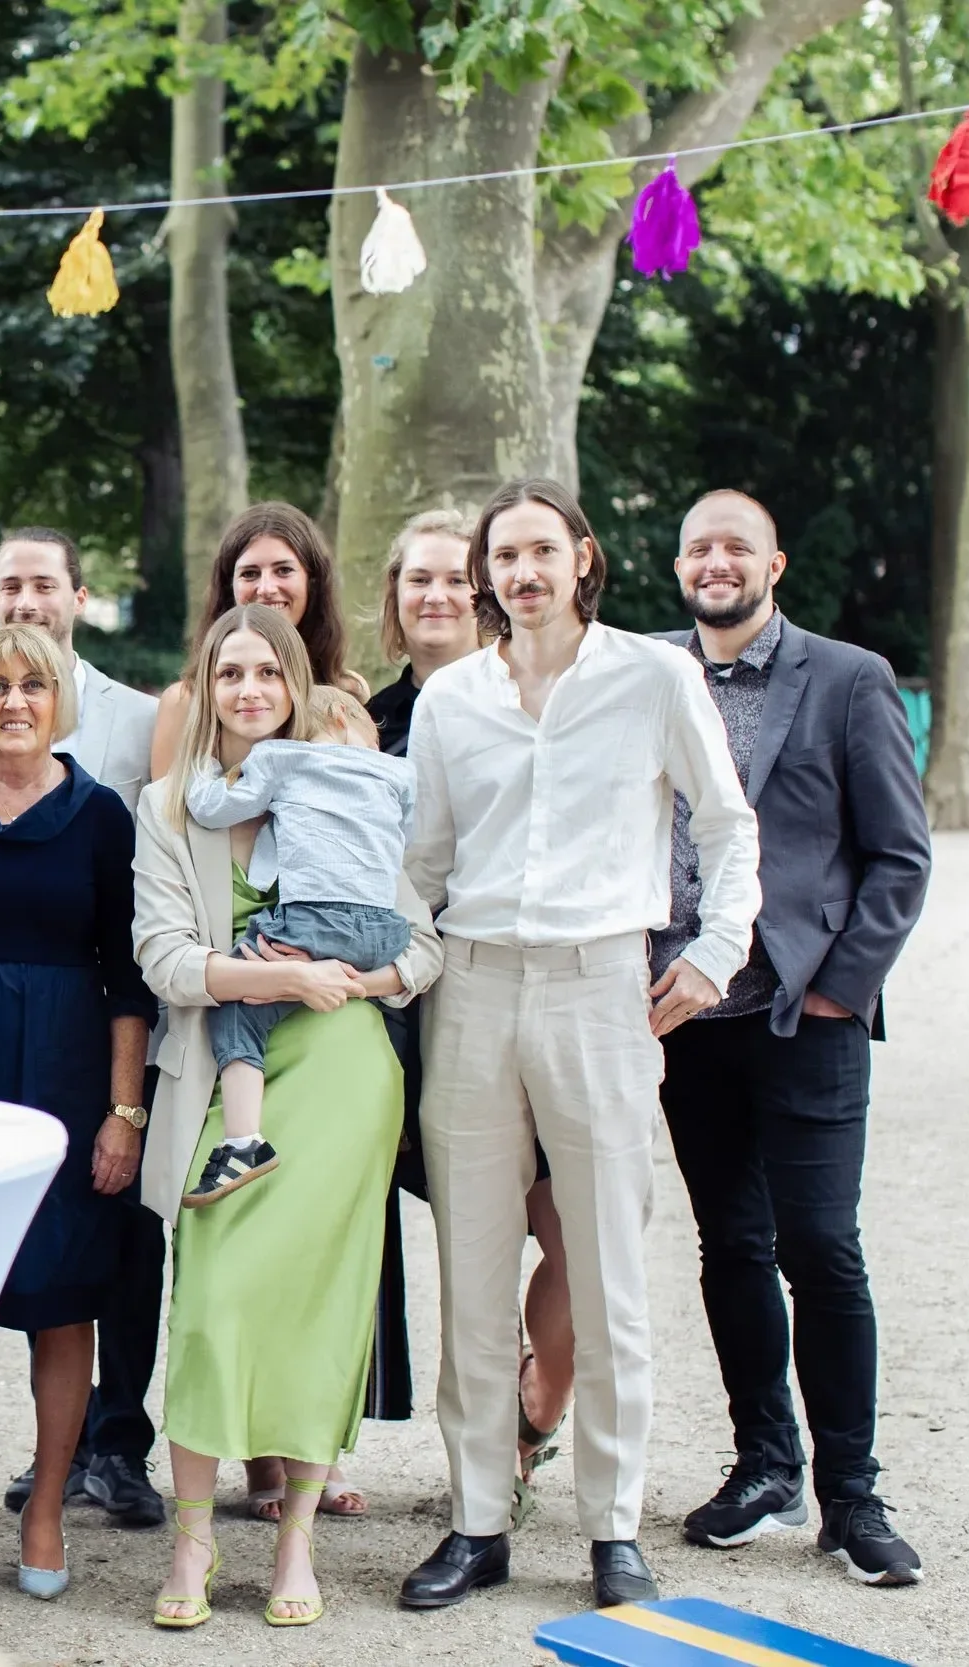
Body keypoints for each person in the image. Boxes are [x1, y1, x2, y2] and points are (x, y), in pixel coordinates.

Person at [400, 477, 759, 1613]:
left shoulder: (652, 676)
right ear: (484, 577)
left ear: (581, 558)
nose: (522, 573)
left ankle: (611, 1525)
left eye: (540, 551)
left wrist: (713, 951)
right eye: (503, 557)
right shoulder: (451, 699)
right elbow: (421, 861)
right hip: (471, 983)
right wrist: (409, 967)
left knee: (607, 1267)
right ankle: (475, 1518)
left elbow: (725, 820)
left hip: (602, 984)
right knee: (470, 1269)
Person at [133, 604, 442, 1631]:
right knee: (214, 1300)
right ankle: (192, 1532)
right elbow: (164, 957)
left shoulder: (345, 783)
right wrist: (266, 974)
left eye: (269, 670)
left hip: (345, 1067)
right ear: (206, 685)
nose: (250, 689)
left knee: (320, 1303)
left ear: (298, 682)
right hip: (229, 1082)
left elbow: (424, 948)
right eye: (231, 673)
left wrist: (351, 983)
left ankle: (297, 1532)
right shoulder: (170, 807)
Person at [657, 491, 931, 1585]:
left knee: (822, 1246)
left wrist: (835, 991)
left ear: (774, 561)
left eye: (734, 546)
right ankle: (763, 1462)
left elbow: (900, 856)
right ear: (676, 566)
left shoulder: (850, 677)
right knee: (729, 1244)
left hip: (801, 1010)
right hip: (686, 1015)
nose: (715, 561)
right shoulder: (648, 676)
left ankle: (851, 1495)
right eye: (696, 547)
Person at [0, 624, 152, 1606]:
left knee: (61, 1299)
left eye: (33, 686)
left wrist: (123, 1112)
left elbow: (129, 976)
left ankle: (47, 1502)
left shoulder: (101, 815)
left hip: (67, 1072)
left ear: (61, 699)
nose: (13, 702)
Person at [369, 512, 576, 1508]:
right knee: (473, 1252)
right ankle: (487, 1462)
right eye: (418, 579)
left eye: (457, 576)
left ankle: (538, 1406)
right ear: (393, 597)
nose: (438, 594)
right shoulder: (356, 721)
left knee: (575, 1231)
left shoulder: (543, 700)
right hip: (403, 1019)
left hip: (531, 996)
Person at [0, 525, 167, 1530]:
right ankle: (52, 1444)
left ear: (78, 595)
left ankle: (121, 1437)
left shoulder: (140, 720)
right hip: (28, 1020)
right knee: (45, 1236)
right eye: (8, 582)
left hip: (129, 1004)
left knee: (127, 1233)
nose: (25, 598)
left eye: (42, 583)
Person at [181, 687, 412, 1206]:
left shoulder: (285, 757)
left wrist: (198, 765)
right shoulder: (399, 774)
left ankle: (243, 1141)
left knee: (238, 1007)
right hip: (383, 933)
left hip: (316, 922)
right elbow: (405, 838)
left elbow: (215, 808)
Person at [148, 503, 360, 782]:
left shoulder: (346, 691)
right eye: (249, 573)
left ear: (313, 581)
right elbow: (163, 815)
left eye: (283, 570)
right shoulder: (185, 702)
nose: (267, 588)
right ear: (228, 586)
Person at [0, 528, 156, 810]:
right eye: (11, 587)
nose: (26, 604)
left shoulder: (146, 719)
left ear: (79, 599)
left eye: (44, 587)